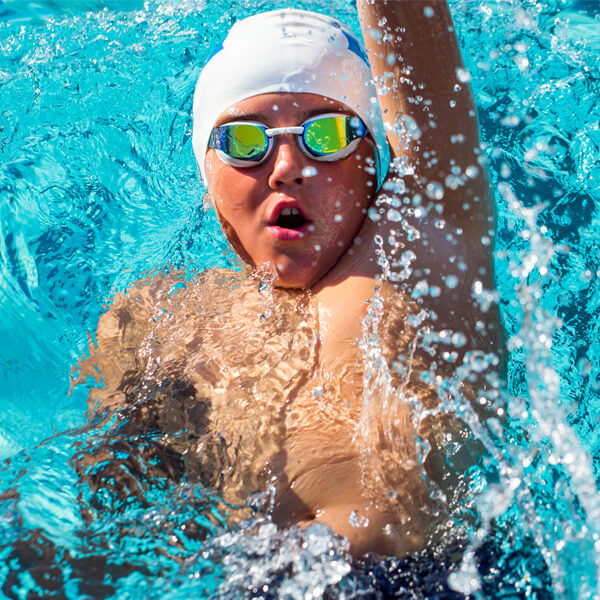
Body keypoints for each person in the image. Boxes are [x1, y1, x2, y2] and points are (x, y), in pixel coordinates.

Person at [79, 0, 504, 559]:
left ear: (373, 163)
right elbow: (107, 518)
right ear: (209, 181)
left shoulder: (415, 246)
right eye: (244, 141)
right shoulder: (161, 322)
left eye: (326, 136)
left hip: (412, 581)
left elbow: (413, 41)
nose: (286, 166)